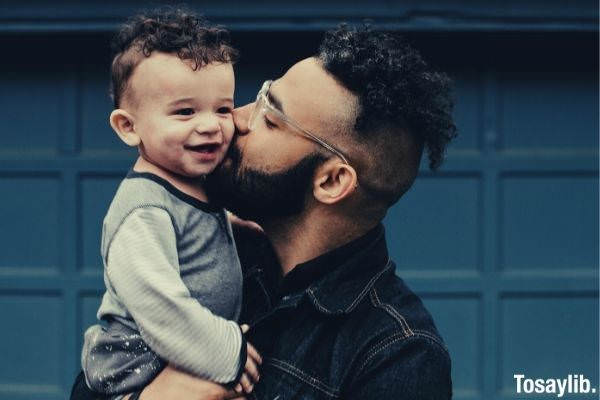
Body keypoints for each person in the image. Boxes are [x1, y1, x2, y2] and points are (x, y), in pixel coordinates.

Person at [72, 23, 457, 400]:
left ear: (331, 182)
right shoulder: (210, 247)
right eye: (258, 97)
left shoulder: (396, 355)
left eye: (270, 119)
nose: (232, 119)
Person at [78, 9, 261, 398]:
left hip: (178, 358)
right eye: (185, 111)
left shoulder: (192, 184)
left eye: (223, 109)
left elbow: (194, 229)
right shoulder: (143, 212)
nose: (211, 125)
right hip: (134, 370)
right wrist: (229, 351)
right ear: (129, 127)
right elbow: (161, 307)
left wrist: (236, 227)